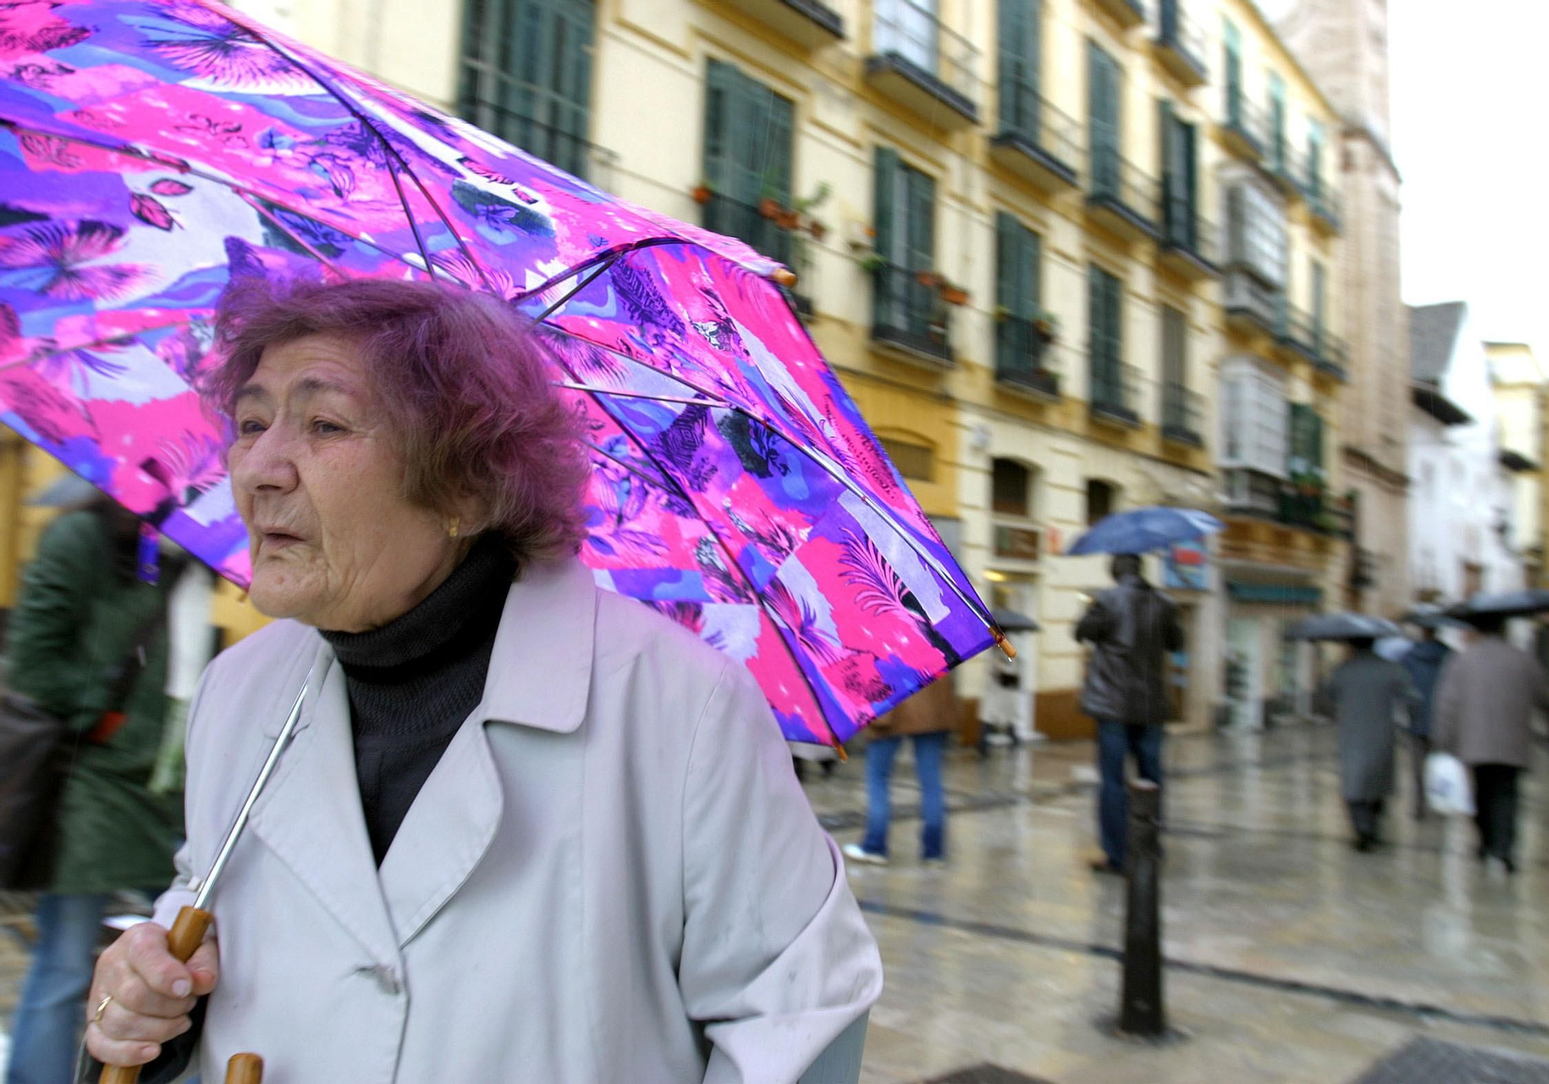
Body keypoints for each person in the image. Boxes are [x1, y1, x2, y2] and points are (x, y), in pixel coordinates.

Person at [84, 277, 881, 1082]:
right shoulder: (237, 693)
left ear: (465, 483)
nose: (257, 468)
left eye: (323, 424)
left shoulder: (680, 707)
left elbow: (796, 1016)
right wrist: (147, 1008)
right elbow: (200, 918)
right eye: (251, 423)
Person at [4, 497, 186, 1084]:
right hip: (90, 783)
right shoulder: (82, 540)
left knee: (187, 952)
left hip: (165, 787)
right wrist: (104, 716)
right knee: (64, 962)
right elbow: (31, 662)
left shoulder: (183, 555)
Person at [1075, 553, 1183, 875]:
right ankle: (1149, 847)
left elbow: (1082, 632)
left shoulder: (1107, 600)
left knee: (1112, 782)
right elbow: (1177, 642)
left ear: (1116, 572)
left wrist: (1094, 614)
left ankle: (1117, 855)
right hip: (1150, 708)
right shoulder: (1164, 603)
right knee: (1152, 778)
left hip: (1112, 707)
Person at [1432, 615, 1549, 873]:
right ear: (1503, 629)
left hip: (1475, 742)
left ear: (1477, 630)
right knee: (1507, 795)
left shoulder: (1463, 660)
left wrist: (1444, 741)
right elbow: (1542, 695)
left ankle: (1486, 843)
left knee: (1482, 792)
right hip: (1513, 741)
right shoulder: (1523, 659)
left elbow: (1447, 704)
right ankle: (1504, 849)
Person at [843, 675, 955, 867]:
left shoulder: (885, 642)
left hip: (891, 705)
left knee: (878, 777)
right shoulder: (941, 642)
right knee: (931, 781)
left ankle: (875, 846)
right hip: (933, 709)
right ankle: (934, 852)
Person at [1328, 637, 1415, 851]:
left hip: (1352, 736)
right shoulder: (1391, 669)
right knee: (1377, 784)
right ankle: (1372, 828)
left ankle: (1362, 830)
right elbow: (1412, 698)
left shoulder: (1343, 670)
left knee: (1355, 786)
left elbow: (1328, 694)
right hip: (1382, 736)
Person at [1399, 623, 1453, 819]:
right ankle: (1439, 805)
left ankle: (1419, 806)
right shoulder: (1449, 655)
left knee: (1417, 766)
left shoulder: (1409, 656)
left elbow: (1402, 686)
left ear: (1422, 631)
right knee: (1439, 764)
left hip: (1416, 717)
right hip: (1441, 719)